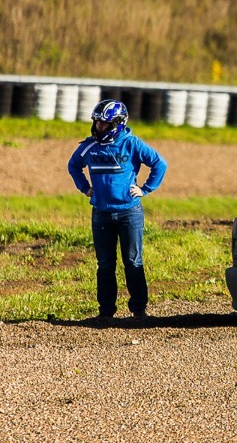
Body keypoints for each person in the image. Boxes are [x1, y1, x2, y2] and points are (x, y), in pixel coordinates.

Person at [67, 99, 167, 320]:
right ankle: (106, 312)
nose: (99, 127)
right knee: (105, 265)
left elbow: (160, 164)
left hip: (129, 213)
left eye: (105, 124)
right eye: (97, 123)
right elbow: (73, 165)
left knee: (133, 262)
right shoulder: (89, 146)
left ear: (119, 124)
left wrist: (145, 189)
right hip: (101, 213)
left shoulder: (131, 144)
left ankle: (139, 311)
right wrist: (84, 187)